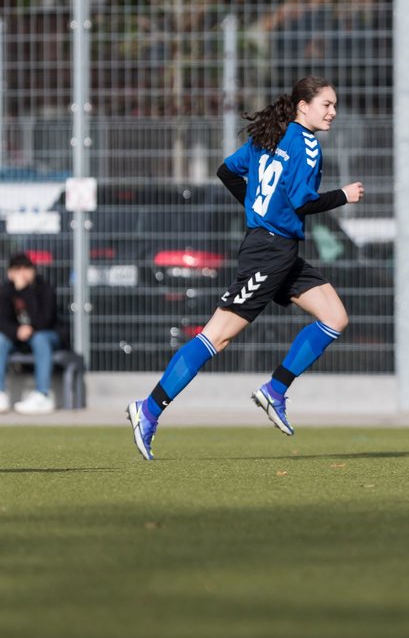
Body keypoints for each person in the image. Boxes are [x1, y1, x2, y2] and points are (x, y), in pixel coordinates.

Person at [126, 76, 365, 460]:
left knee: (334, 317)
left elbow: (226, 171)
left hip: (280, 251)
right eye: (327, 105)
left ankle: (275, 390)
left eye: (334, 105)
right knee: (216, 337)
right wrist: (344, 196)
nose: (333, 112)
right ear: (303, 106)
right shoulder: (306, 144)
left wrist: (256, 208)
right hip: (268, 254)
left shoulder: (268, 135)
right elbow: (303, 202)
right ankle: (149, 410)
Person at [0, 253, 63, 415]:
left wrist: (25, 291)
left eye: (26, 268)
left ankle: (43, 395)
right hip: (18, 338)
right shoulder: (6, 290)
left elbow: (45, 320)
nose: (22, 273)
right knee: (0, 339)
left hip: (46, 336)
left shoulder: (45, 288)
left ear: (33, 270)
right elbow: (2, 320)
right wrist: (16, 331)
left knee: (39, 338)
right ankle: (1, 394)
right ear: (10, 273)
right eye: (17, 269)